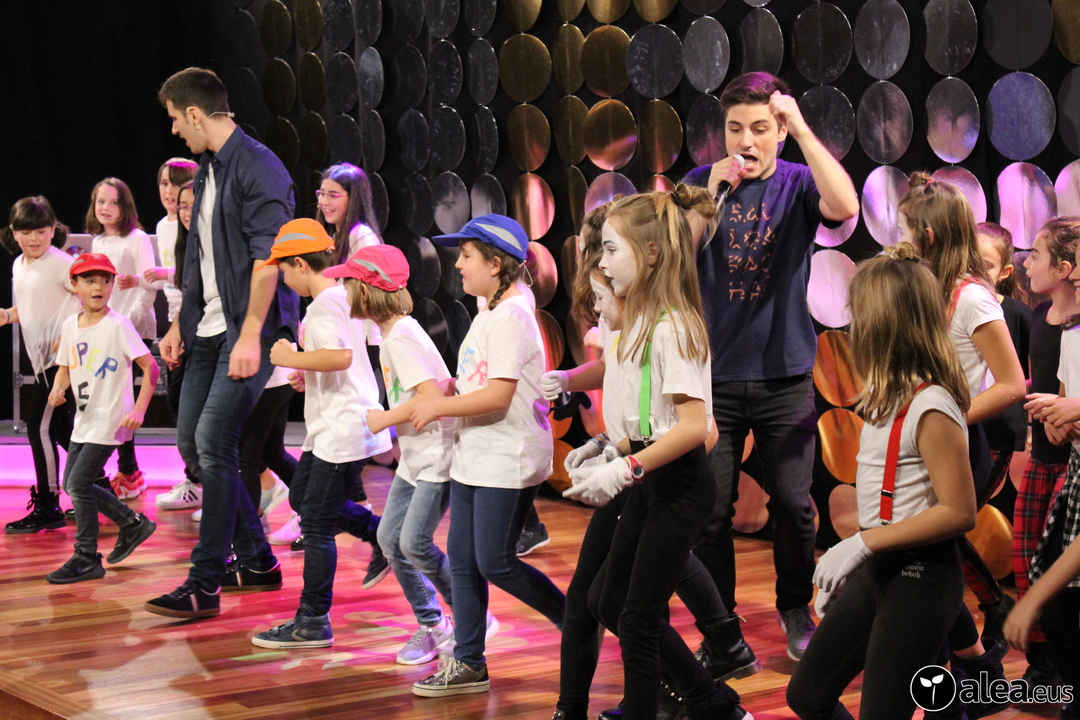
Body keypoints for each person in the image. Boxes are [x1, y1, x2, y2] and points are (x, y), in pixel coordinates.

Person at [682, 71, 860, 660]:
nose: (745, 141)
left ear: (778, 132)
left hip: (784, 373)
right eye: (735, 128)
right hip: (711, 378)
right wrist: (708, 195)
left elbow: (845, 207)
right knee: (711, 512)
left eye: (760, 128)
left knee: (793, 505)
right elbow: (674, 256)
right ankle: (721, 629)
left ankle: (794, 608)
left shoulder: (798, 182)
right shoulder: (699, 183)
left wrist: (802, 129)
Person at [786, 248, 977, 720]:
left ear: (883, 324)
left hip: (921, 578)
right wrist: (859, 557)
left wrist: (861, 544)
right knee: (806, 695)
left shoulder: (931, 405)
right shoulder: (885, 395)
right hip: (881, 571)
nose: (852, 328)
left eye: (858, 315)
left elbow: (959, 512)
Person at [144, 67, 298, 619]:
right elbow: (199, 257)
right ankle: (257, 561)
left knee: (215, 441)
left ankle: (203, 582)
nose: (173, 131)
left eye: (174, 119)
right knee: (193, 445)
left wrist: (251, 334)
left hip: (247, 329)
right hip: (206, 329)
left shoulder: (260, 167)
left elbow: (268, 259)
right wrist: (178, 324)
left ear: (193, 113)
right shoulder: (208, 168)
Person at [409, 214, 565, 697]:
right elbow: (481, 380)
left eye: (466, 256)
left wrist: (439, 406)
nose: (458, 265)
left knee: (495, 561)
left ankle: (574, 620)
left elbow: (499, 396)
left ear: (496, 264)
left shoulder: (514, 315)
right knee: (462, 559)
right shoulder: (489, 311)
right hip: (475, 452)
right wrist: (448, 388)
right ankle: (469, 662)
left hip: (507, 456)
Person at [896, 173, 1027, 718]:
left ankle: (964, 680)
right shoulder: (924, 284)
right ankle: (977, 670)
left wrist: (947, 419)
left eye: (903, 229)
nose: (898, 239)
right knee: (928, 561)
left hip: (959, 442)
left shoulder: (973, 297)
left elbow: (1011, 384)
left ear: (926, 235)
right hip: (925, 439)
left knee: (926, 561)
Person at [249, 220, 391, 648]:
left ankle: (313, 619)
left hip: (342, 427)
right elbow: (339, 358)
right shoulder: (338, 298)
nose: (283, 280)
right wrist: (306, 373)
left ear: (299, 264)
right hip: (333, 425)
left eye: (283, 271)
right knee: (301, 499)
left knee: (315, 521)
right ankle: (380, 534)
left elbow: (341, 357)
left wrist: (291, 357)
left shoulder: (325, 304)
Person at [328, 244, 457, 665]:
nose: (343, 290)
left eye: (348, 283)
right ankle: (433, 623)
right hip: (416, 458)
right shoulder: (397, 332)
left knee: (414, 543)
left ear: (365, 292)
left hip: (435, 458)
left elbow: (432, 395)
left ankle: (469, 615)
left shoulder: (400, 337)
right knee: (388, 539)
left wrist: (384, 419)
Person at [45, 253, 159, 583]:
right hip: (85, 419)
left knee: (79, 484)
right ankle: (132, 523)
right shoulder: (71, 325)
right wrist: (57, 389)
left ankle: (86, 556)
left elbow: (150, 367)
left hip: (111, 419)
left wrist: (139, 409)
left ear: (112, 286)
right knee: (72, 484)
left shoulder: (118, 325)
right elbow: (65, 366)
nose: (98, 287)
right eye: (90, 280)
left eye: (105, 281)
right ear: (75, 285)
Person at [1016, 233, 1080, 720]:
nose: (1026, 263)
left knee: (1058, 592)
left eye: (1035, 255)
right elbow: (1061, 387)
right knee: (1041, 571)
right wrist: (1058, 416)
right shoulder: (1058, 325)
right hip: (1066, 464)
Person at [1, 197, 81, 533]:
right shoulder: (19, 265)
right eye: (25, 232)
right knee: (61, 430)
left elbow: (89, 298)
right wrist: (7, 316)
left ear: (52, 230)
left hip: (61, 363)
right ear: (13, 232)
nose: (33, 238)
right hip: (43, 362)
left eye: (40, 230)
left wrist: (69, 335)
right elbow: (31, 307)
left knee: (39, 428)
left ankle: (49, 505)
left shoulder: (61, 263)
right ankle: (97, 485)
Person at [972, 221, 1031, 644]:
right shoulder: (951, 302)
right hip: (954, 429)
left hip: (995, 432)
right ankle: (991, 603)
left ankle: (993, 602)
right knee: (938, 528)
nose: (975, 272)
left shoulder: (1016, 314)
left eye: (986, 265)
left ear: (1005, 271)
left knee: (949, 524)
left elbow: (1030, 373)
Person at [86, 177, 157, 500]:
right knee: (111, 402)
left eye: (113, 202)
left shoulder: (137, 238)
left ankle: (129, 472)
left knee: (122, 402)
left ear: (124, 206)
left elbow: (149, 284)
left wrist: (128, 325)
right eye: (100, 201)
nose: (105, 208)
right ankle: (128, 470)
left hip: (132, 330)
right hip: (106, 330)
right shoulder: (98, 242)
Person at [151, 178, 206, 513]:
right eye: (182, 206)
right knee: (181, 413)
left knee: (204, 429)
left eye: (192, 205)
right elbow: (190, 298)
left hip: (210, 341)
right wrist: (176, 332)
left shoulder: (218, 242)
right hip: (186, 333)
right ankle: (200, 485)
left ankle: (249, 495)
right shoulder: (183, 242)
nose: (186, 212)